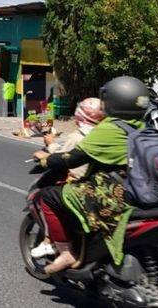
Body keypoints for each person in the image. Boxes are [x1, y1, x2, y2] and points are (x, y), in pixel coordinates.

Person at [33, 76, 148, 274]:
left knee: (48, 196)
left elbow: (71, 158)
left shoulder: (111, 129)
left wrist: (44, 160)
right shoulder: (143, 127)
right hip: (138, 188)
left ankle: (67, 253)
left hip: (112, 193)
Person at [30, 97, 105, 259]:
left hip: (79, 185)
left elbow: (65, 158)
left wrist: (49, 147)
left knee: (47, 196)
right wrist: (52, 143)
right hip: (100, 185)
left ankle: (51, 242)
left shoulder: (78, 137)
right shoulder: (104, 134)